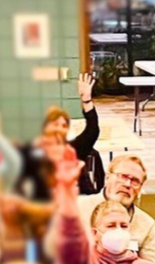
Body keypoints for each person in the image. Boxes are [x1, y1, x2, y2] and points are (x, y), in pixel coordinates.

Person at [19, 73, 100, 201]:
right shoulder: (32, 153)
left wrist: (87, 100)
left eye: (64, 125)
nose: (59, 129)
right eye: (55, 124)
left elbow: (92, 130)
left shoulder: (73, 150)